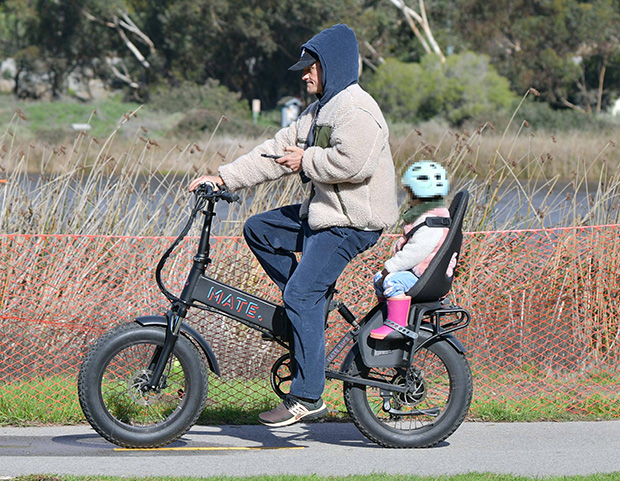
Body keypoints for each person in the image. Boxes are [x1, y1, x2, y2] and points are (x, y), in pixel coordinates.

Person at [189, 24, 398, 427]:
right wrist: (222, 178)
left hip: (352, 221)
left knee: (301, 295)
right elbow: (273, 150)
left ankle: (307, 396)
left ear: (332, 66)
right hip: (325, 212)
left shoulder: (356, 109)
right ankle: (308, 305)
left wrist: (306, 161)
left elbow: (355, 165)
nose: (304, 74)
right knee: (259, 229)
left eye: (311, 67)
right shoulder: (319, 109)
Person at [370, 161, 453, 340]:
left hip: (426, 276)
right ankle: (389, 315)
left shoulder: (431, 223)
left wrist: (390, 267)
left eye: (410, 193)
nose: (408, 198)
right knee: (379, 279)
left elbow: (415, 252)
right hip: (423, 273)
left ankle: (396, 324)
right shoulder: (428, 217)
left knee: (392, 280)